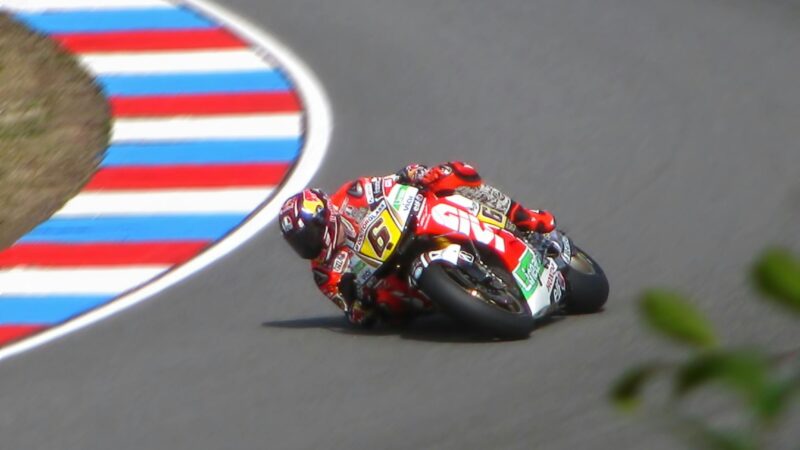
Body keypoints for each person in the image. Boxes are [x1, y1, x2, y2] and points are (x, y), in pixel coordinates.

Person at [279, 161, 556, 326]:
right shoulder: (324, 273)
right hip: (396, 278)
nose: (307, 245)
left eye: (308, 235)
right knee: (391, 309)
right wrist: (360, 303)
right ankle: (467, 297)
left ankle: (527, 219)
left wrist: (415, 174)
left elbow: (393, 181)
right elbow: (354, 314)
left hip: (413, 225)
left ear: (325, 215)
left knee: (454, 178)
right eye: (299, 243)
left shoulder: (353, 194)